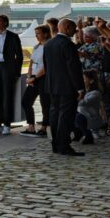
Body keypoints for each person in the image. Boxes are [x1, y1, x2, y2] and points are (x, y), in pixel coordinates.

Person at [43, 18, 85, 156]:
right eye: (73, 28)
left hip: (52, 85)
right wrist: (80, 87)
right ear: (67, 27)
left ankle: (56, 144)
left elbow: (47, 66)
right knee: (66, 116)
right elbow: (73, 67)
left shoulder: (49, 44)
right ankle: (64, 145)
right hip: (67, 86)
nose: (75, 31)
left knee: (54, 114)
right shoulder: (68, 44)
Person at [0, 14, 24, 134]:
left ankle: (7, 124)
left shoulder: (13, 36)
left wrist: (16, 72)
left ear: (5, 23)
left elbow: (19, 55)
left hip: (8, 69)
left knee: (8, 97)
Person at [20, 25, 51, 137]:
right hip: (34, 77)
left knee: (45, 104)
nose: (36, 36)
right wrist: (29, 76)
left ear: (46, 34)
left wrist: (35, 77)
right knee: (26, 101)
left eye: (38, 33)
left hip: (44, 77)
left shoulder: (49, 46)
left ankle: (43, 128)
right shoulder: (36, 47)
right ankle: (31, 126)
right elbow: (31, 62)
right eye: (36, 34)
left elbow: (47, 66)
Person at [72, 70, 100, 145]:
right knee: (69, 114)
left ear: (91, 81)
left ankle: (88, 135)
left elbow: (83, 103)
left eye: (84, 79)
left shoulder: (95, 93)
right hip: (84, 114)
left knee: (78, 117)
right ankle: (78, 134)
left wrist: (79, 97)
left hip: (91, 117)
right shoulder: (83, 91)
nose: (82, 81)